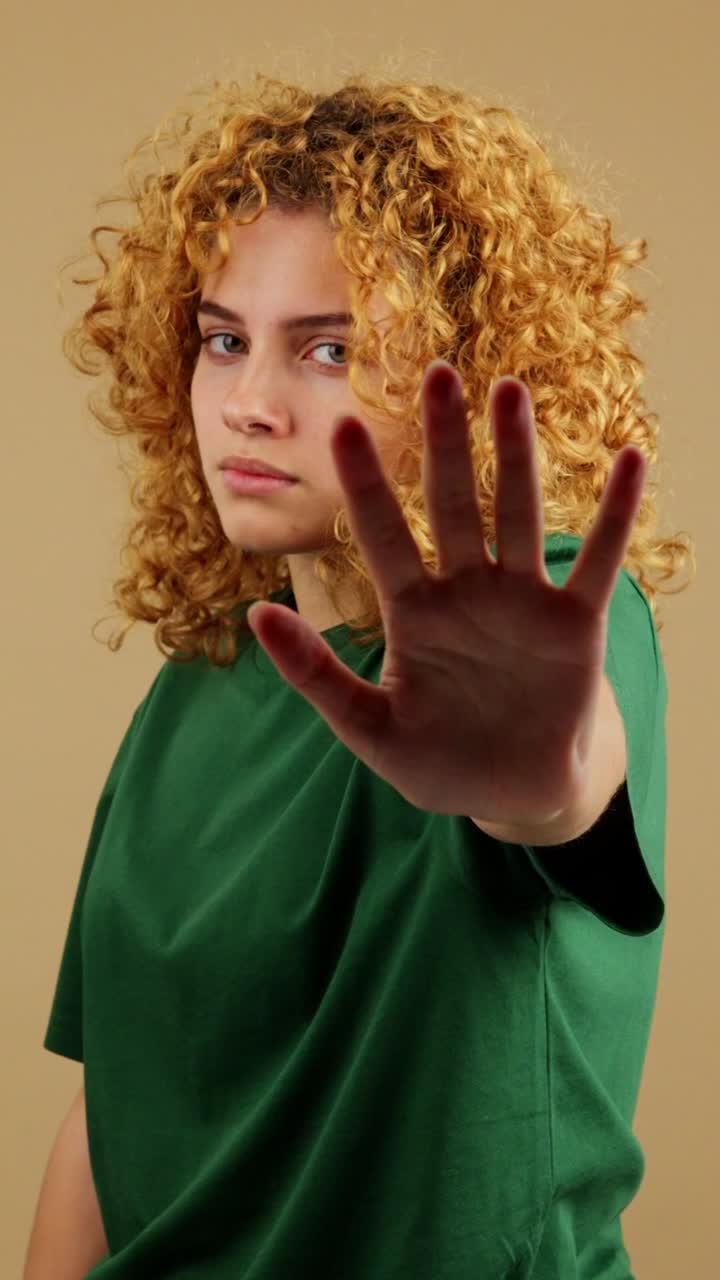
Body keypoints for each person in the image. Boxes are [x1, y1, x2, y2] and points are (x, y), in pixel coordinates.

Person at [29, 69, 695, 1279]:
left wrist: (542, 791)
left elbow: (563, 783)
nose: (248, 403)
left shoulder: (548, 628)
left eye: (328, 350)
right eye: (224, 341)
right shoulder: (201, 683)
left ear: (474, 373)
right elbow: (105, 1107)